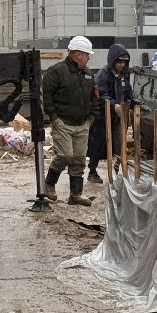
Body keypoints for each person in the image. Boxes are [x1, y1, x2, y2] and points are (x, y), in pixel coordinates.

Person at [41, 35, 97, 205]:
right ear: (78, 54)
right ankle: (49, 184)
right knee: (65, 156)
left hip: (82, 124)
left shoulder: (88, 74)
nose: (88, 58)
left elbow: (94, 99)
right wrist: (54, 118)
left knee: (79, 159)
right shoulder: (57, 71)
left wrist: (91, 118)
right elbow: (47, 96)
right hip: (63, 122)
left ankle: (76, 194)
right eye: (87, 54)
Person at [87, 43, 132, 184]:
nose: (121, 65)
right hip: (102, 116)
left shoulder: (124, 75)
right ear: (113, 61)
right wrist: (114, 105)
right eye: (119, 62)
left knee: (119, 143)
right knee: (97, 144)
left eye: (124, 62)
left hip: (118, 117)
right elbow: (102, 95)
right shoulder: (102, 75)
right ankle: (92, 171)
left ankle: (118, 170)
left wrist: (134, 103)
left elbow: (128, 93)